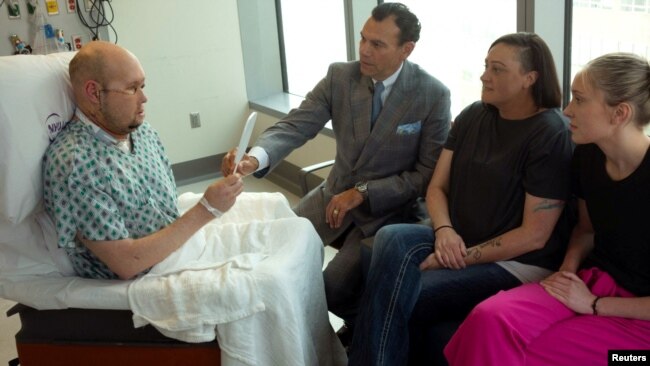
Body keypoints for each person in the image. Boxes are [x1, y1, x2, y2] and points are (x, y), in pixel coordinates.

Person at [42, 41, 346, 365]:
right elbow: (127, 263)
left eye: (143, 85)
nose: (144, 98)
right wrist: (207, 210)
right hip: (150, 269)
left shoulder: (139, 133)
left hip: (175, 238)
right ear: (93, 92)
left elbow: (165, 205)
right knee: (273, 282)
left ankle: (319, 353)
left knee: (294, 226)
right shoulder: (75, 165)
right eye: (132, 89)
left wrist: (215, 201)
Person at [222, 2, 451, 334]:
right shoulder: (340, 77)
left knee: (333, 288)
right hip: (332, 194)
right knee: (273, 250)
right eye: (363, 39)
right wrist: (255, 158)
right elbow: (296, 126)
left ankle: (360, 328)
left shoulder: (432, 94)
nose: (364, 50)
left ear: (406, 50)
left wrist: (362, 194)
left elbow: (426, 175)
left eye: (377, 44)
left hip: (387, 211)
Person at [348, 32, 575, 365]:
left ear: (530, 78)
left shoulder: (550, 134)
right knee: (391, 237)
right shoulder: (474, 115)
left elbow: (534, 235)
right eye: (486, 66)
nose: (484, 75)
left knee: (409, 293)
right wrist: (444, 231)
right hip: (459, 237)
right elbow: (437, 187)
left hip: (516, 262)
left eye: (497, 69)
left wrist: (459, 257)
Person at [445, 53, 650, 366]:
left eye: (579, 100)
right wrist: (566, 273)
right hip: (593, 281)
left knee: (542, 353)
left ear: (620, 113)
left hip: (638, 328)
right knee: (488, 318)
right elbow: (586, 229)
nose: (567, 110)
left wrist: (595, 305)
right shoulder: (587, 156)